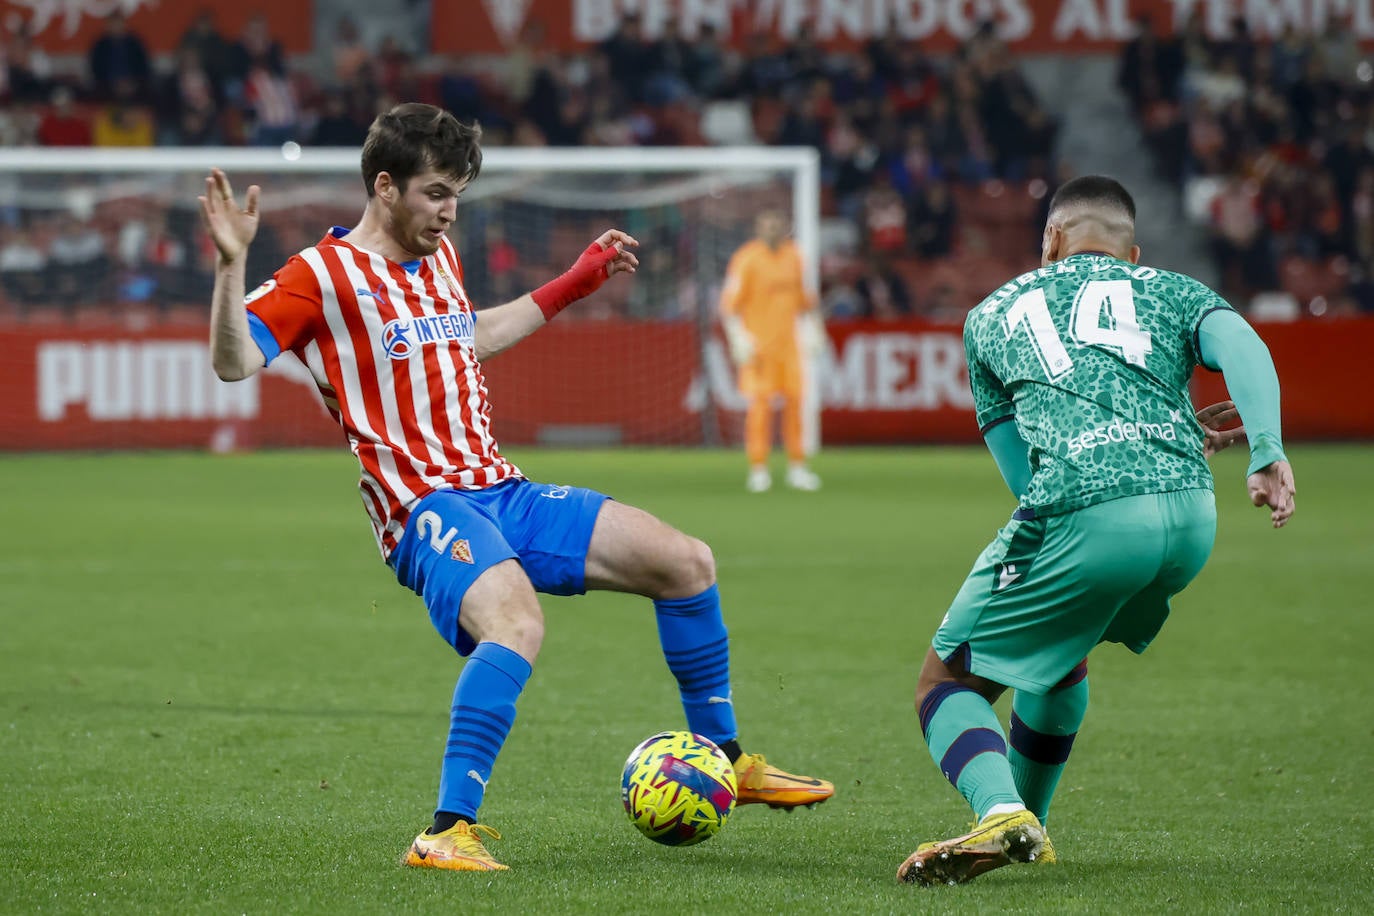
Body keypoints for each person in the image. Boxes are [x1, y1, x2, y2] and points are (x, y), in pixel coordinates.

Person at [199, 103, 833, 873]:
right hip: (421, 506)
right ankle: (445, 832)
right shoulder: (320, 277)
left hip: (501, 488)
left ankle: (727, 759)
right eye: (436, 193)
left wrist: (572, 283)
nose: (449, 210)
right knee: (517, 624)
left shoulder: (439, 254)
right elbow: (234, 363)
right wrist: (231, 267)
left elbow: (468, 335)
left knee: (687, 562)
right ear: (385, 186)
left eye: (457, 193)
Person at [897, 175, 1295, 886]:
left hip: (1089, 515)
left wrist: (1102, 474)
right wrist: (1267, 451)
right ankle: (1028, 828)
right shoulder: (1168, 290)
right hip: (1190, 518)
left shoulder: (989, 315)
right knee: (1062, 648)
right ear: (1133, 253)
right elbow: (1243, 342)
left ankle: (1001, 810)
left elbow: (1027, 479)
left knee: (943, 683)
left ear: (1050, 239)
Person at [720, 209, 825, 493]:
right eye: (767, 224)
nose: (772, 229)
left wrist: (815, 329)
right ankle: (759, 468)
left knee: (795, 404)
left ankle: (797, 467)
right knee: (760, 407)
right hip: (760, 348)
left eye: (777, 224)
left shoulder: (794, 257)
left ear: (785, 227)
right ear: (758, 228)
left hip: (789, 347)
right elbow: (729, 304)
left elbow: (806, 300)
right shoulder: (746, 259)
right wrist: (737, 338)